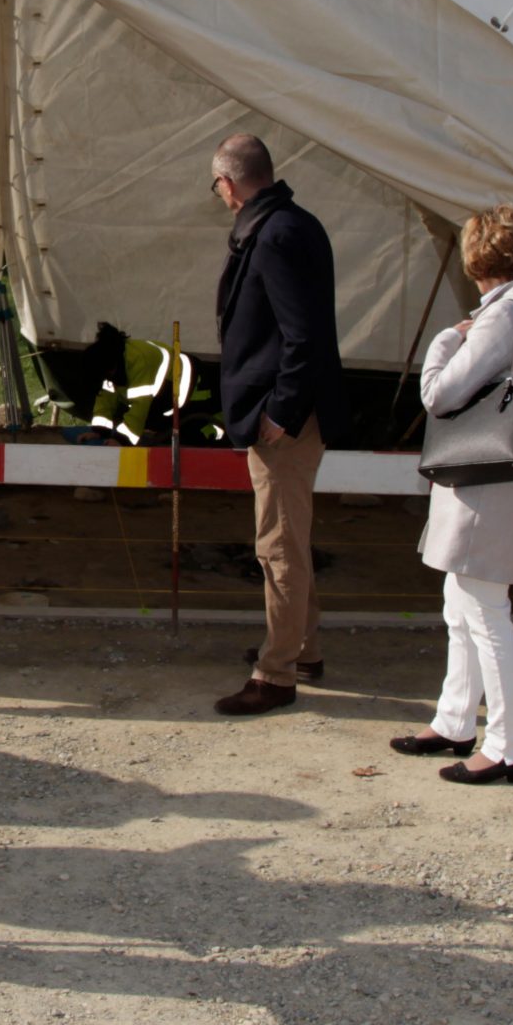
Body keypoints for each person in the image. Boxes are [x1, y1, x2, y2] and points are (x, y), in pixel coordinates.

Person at [390, 204, 513, 784]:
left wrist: (446, 338)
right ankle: (455, 718)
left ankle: (507, 746)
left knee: (486, 612)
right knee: (462, 601)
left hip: (484, 486)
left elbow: (439, 395)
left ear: (479, 261)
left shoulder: (498, 319)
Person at [207, 133, 349, 717]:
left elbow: (303, 337)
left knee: (278, 545)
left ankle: (277, 673)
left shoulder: (275, 235)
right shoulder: (289, 224)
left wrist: (281, 412)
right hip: (286, 410)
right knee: (289, 534)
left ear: (230, 183)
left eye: (215, 184)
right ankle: (301, 648)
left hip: (284, 418)